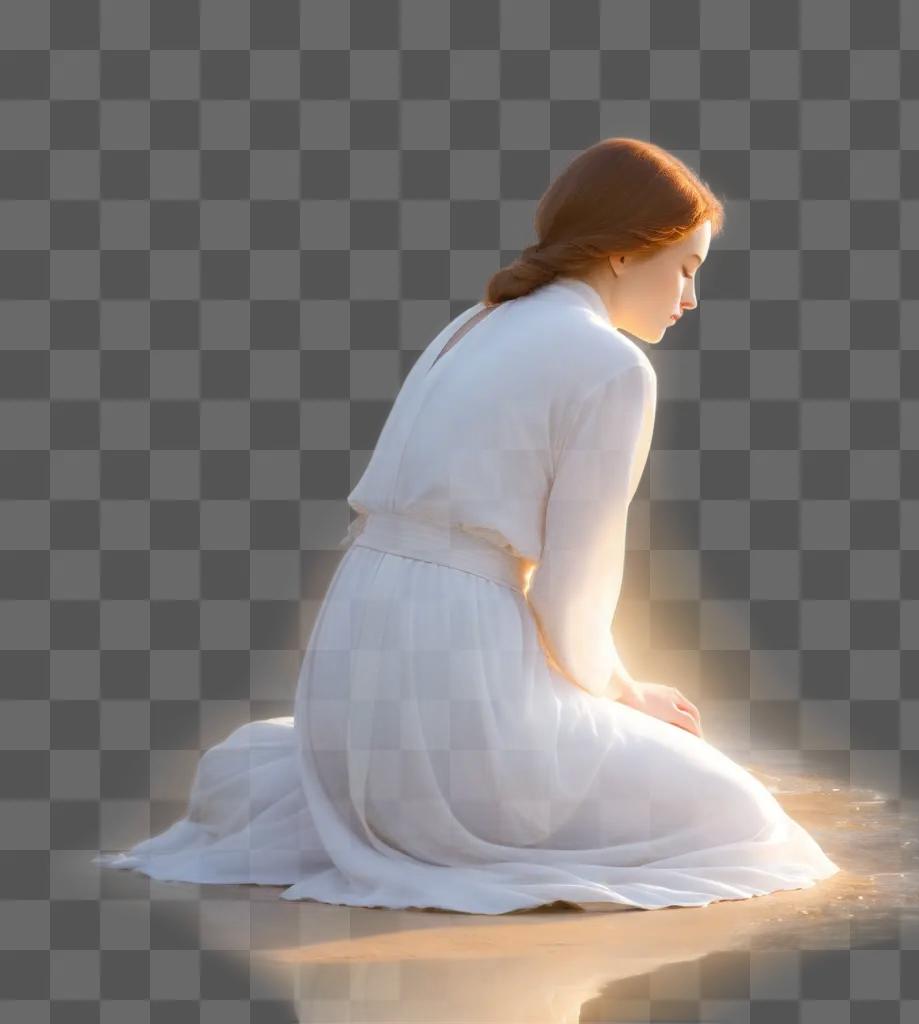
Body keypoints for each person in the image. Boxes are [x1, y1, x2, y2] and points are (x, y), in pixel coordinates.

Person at [94, 138, 841, 913]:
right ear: (624, 251)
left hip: (354, 663)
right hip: (454, 673)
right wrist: (626, 693)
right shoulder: (613, 367)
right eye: (685, 268)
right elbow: (568, 601)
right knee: (743, 821)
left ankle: (410, 795)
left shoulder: (476, 324)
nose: (690, 297)